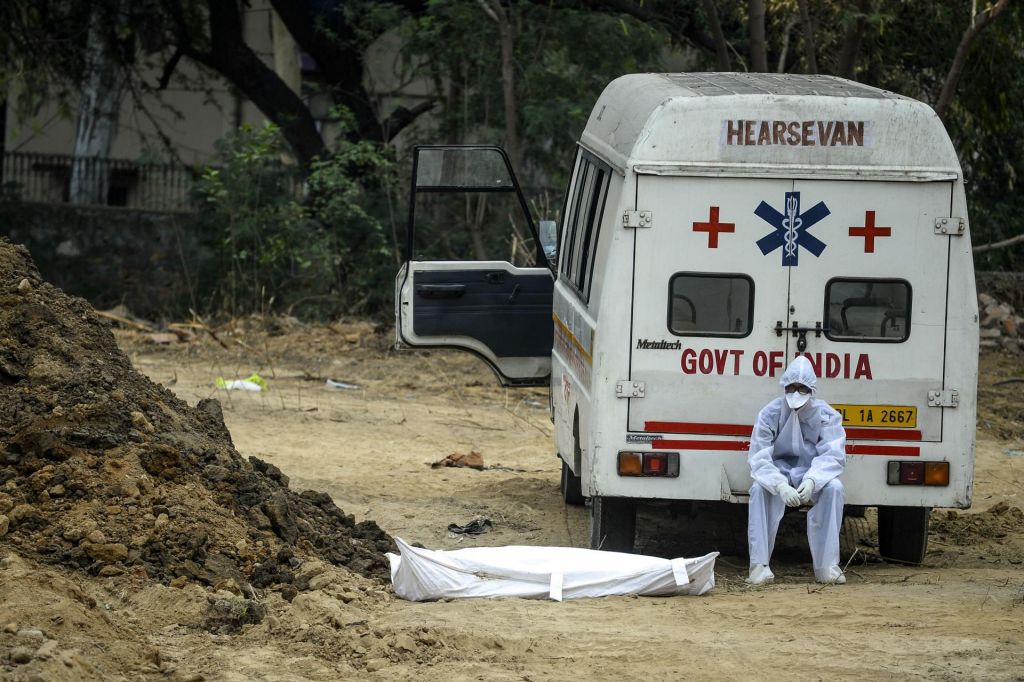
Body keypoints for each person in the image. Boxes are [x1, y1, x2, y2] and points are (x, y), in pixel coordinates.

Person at [746, 355, 847, 585]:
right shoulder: (769, 413)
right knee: (758, 490)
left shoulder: (826, 415)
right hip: (779, 473)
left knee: (835, 488)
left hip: (811, 474)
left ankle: (827, 565)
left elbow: (833, 454)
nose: (796, 392)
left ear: (812, 389)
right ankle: (759, 566)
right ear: (784, 386)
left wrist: (813, 480)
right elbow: (759, 456)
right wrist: (779, 485)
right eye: (792, 387)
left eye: (802, 388)